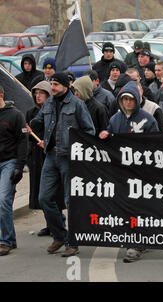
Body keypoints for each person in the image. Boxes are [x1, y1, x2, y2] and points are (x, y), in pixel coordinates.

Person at [30, 72, 95, 257]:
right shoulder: (49, 103)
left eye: (56, 84)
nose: (52, 87)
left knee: (70, 200)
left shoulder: (77, 105)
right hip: (50, 156)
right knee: (44, 198)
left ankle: (72, 243)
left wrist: (79, 151)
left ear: (65, 86)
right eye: (52, 84)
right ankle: (59, 235)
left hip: (69, 158)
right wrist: (33, 125)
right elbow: (40, 121)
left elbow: (89, 130)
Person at [99, 81, 159, 263]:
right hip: (121, 172)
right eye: (124, 99)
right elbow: (109, 139)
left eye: (131, 99)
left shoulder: (148, 120)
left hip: (142, 172)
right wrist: (105, 136)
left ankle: (139, 242)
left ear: (137, 100)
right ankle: (132, 237)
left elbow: (157, 143)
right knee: (125, 207)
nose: (127, 103)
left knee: (140, 207)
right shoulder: (115, 119)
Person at [26, 81, 65, 237]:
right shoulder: (30, 112)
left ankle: (59, 222)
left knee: (55, 192)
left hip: (52, 154)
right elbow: (28, 134)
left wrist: (47, 142)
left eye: (41, 93)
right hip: (37, 157)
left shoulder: (55, 110)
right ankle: (50, 224)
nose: (38, 96)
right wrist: (29, 133)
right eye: (36, 93)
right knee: (42, 193)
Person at [0, 85, 28, 256]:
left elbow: (23, 141)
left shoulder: (15, 115)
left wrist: (19, 166)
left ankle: (7, 240)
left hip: (9, 162)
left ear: (1, 95)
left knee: (3, 200)